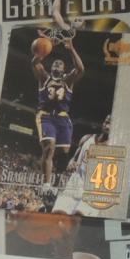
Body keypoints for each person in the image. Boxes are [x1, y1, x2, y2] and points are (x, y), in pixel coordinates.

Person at [32, 37, 84, 206]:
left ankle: (55, 184)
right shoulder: (44, 77)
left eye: (60, 64)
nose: (57, 64)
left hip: (62, 118)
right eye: (55, 63)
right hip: (46, 116)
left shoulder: (68, 80)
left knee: (63, 153)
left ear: (64, 69)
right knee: (49, 148)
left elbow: (81, 69)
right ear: (51, 67)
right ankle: (46, 186)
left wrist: (71, 48)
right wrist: (46, 48)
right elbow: (35, 63)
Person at [52, 115, 111, 216]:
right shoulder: (87, 138)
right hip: (75, 183)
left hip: (94, 189)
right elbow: (73, 159)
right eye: (107, 122)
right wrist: (71, 163)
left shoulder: (114, 147)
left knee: (79, 219)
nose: (107, 126)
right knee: (57, 215)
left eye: (111, 124)